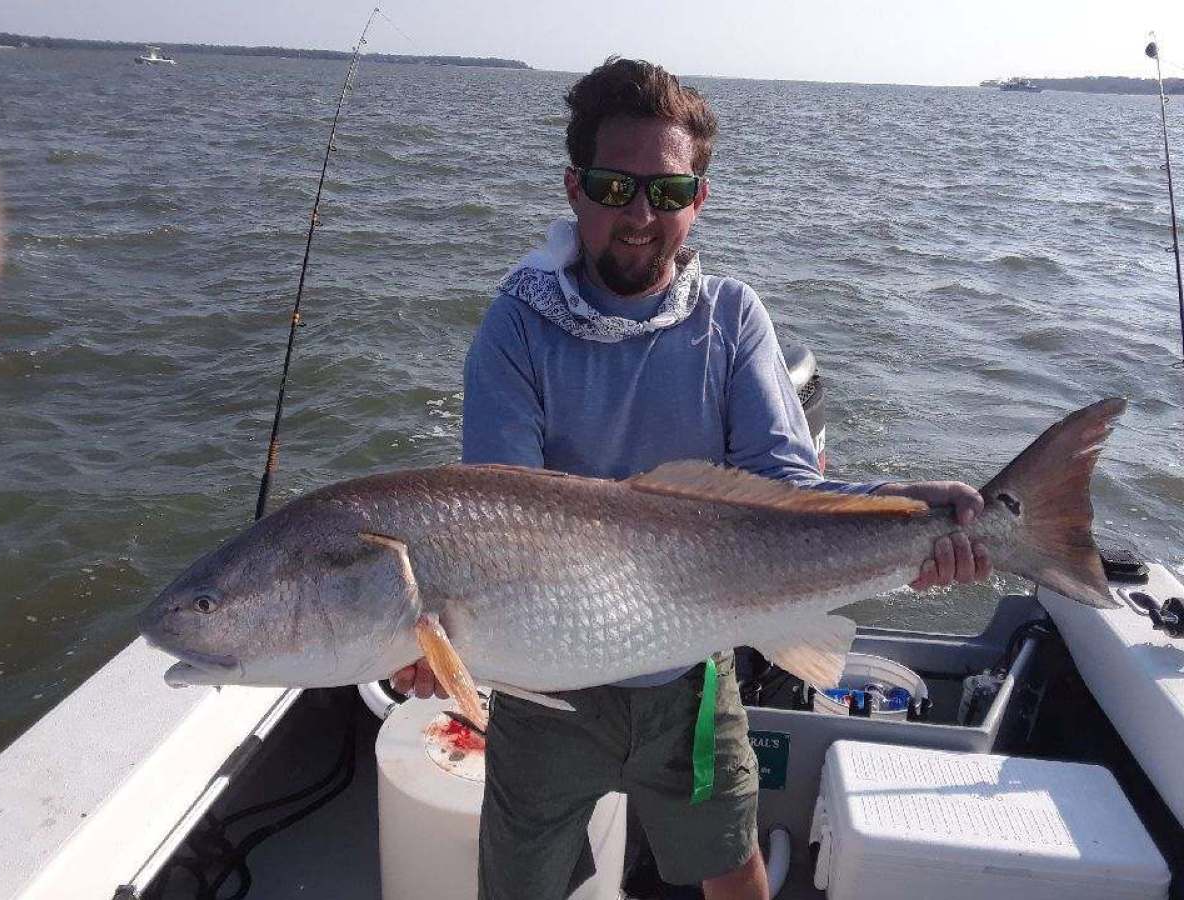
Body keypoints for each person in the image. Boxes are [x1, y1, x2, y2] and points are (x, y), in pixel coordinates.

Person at [392, 57, 990, 900]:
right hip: (544, 685)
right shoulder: (516, 327)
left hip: (692, 673)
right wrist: (431, 644)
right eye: (614, 187)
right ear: (573, 189)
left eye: (667, 193)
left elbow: (787, 484)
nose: (640, 215)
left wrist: (910, 509)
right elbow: (496, 517)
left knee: (731, 867)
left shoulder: (731, 316)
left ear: (697, 201)